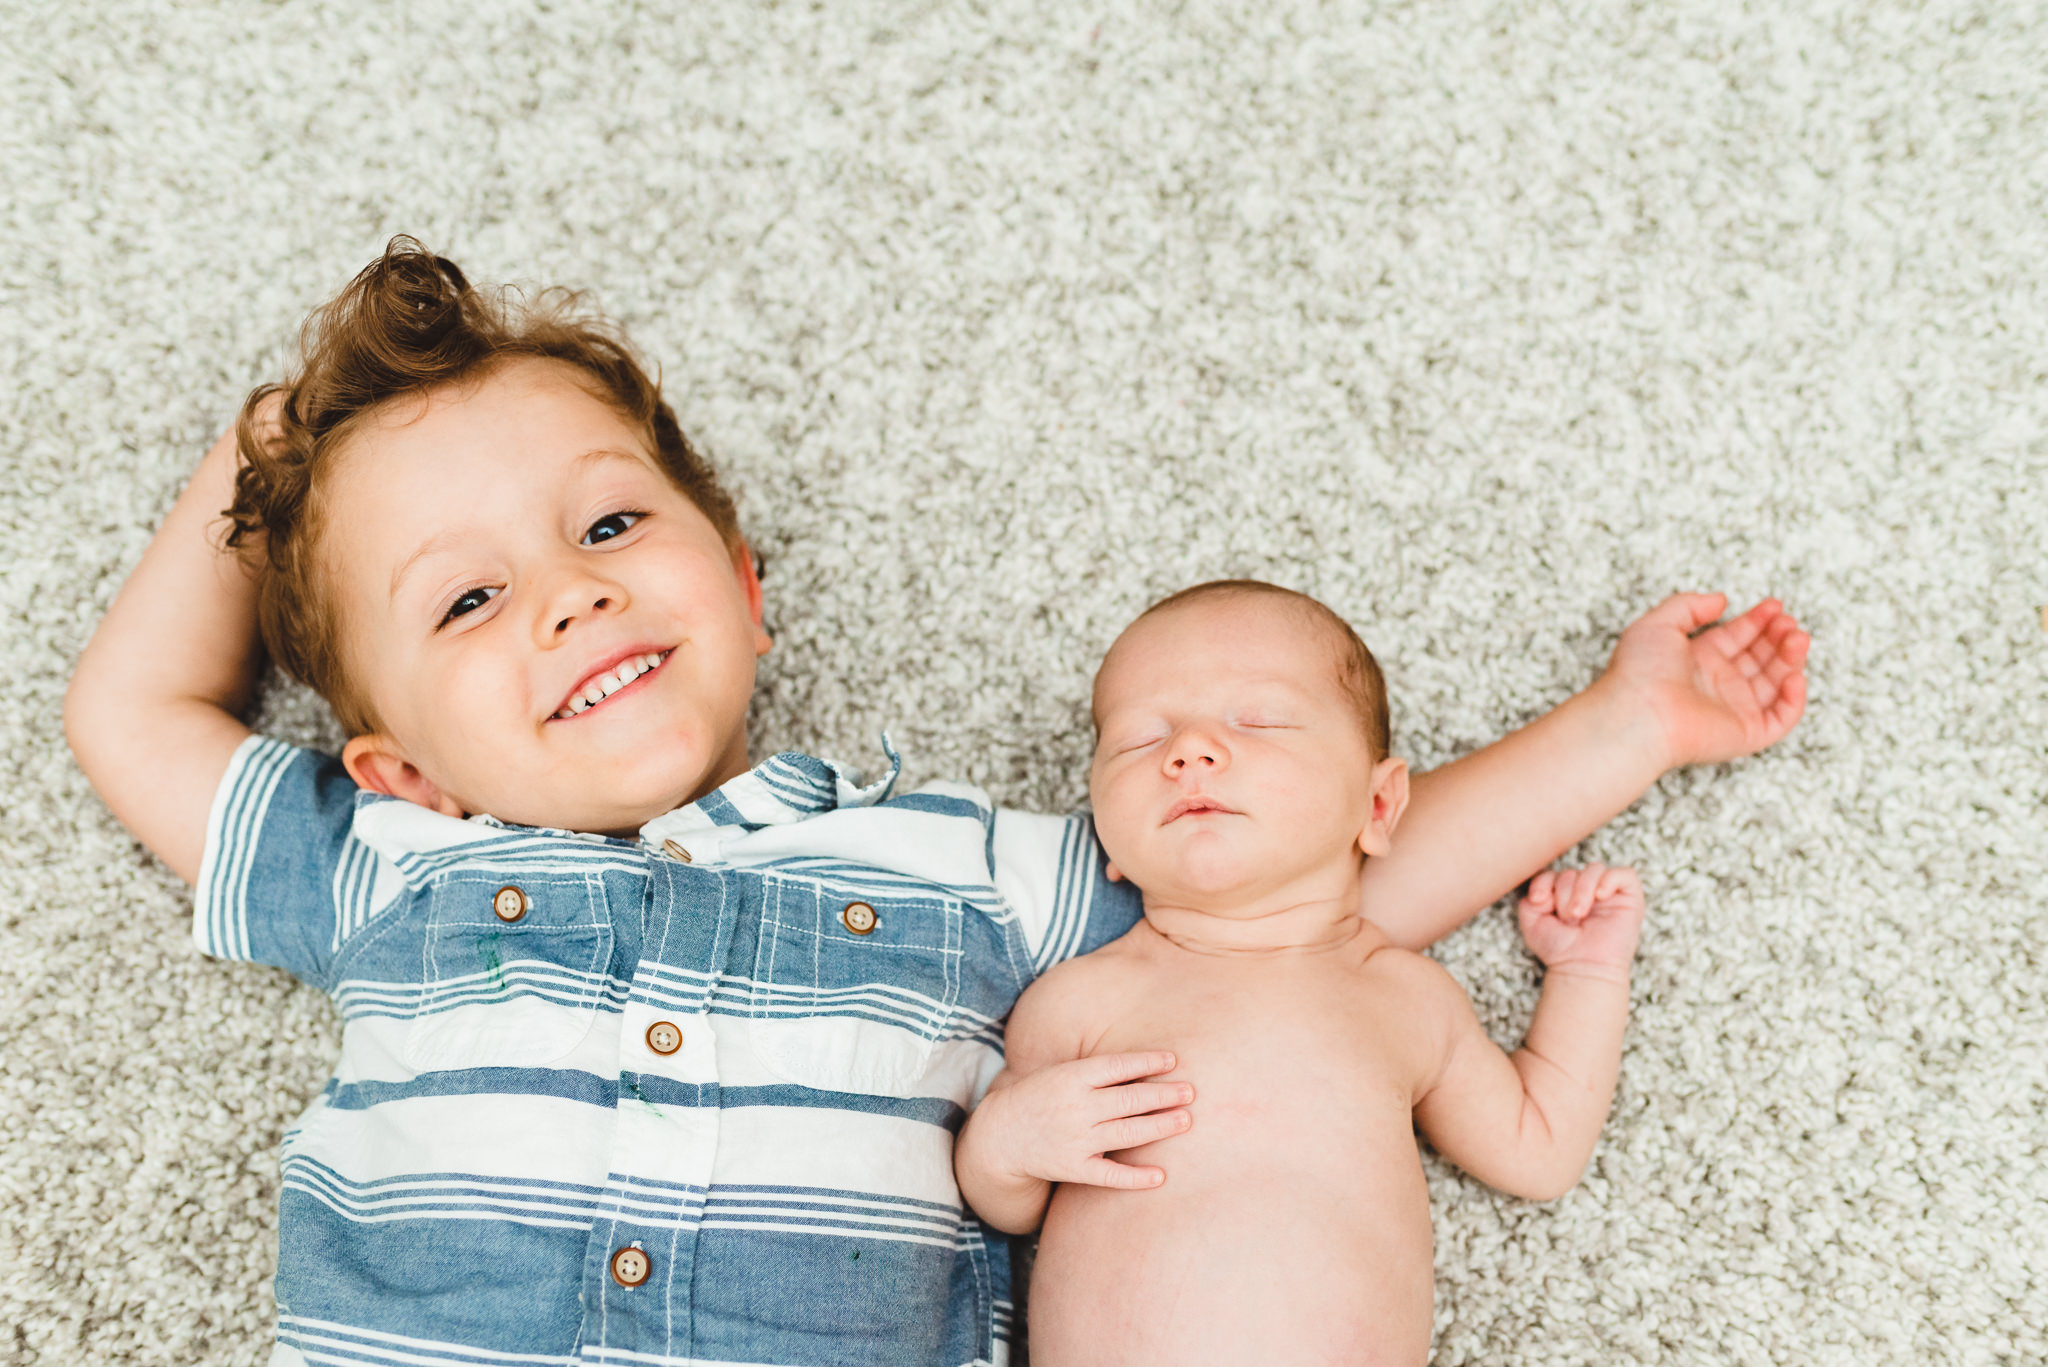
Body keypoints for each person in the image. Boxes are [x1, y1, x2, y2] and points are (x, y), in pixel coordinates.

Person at [63, 237, 1809, 1367]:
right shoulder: (392, 861)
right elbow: (132, 712)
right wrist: (265, 447)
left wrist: (1623, 727)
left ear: (744, 588)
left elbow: (1302, 897)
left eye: (608, 525)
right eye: (465, 598)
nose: (570, 595)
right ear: (398, 762)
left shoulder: (946, 860)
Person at [955, 582, 1653, 1364]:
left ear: (1378, 805)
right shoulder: (1080, 1000)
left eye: (1259, 720)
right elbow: (1008, 1206)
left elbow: (1539, 1147)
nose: (1189, 750)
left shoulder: (1406, 997)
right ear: (1106, 840)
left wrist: (1588, 972)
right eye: (1141, 739)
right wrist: (1003, 1145)